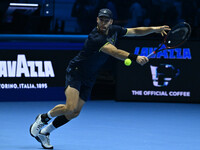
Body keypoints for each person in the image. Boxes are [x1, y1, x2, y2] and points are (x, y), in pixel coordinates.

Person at [30, 8, 170, 149]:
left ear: (111, 21)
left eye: (106, 20)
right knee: (70, 107)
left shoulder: (115, 30)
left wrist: (154, 29)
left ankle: (45, 132)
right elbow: (114, 52)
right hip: (76, 71)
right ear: (97, 20)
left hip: (90, 76)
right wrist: (135, 57)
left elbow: (134, 31)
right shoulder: (95, 37)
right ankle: (43, 118)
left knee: (75, 113)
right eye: (101, 19)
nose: (103, 23)